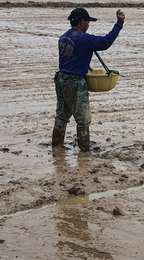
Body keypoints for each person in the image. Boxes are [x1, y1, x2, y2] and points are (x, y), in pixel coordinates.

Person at [52, 8, 125, 152]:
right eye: (88, 22)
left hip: (61, 79)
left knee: (62, 114)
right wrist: (119, 24)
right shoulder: (83, 38)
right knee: (83, 119)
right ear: (82, 22)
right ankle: (84, 150)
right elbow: (105, 42)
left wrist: (84, 64)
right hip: (75, 82)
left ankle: (56, 144)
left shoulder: (64, 37)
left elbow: (69, 56)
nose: (89, 26)